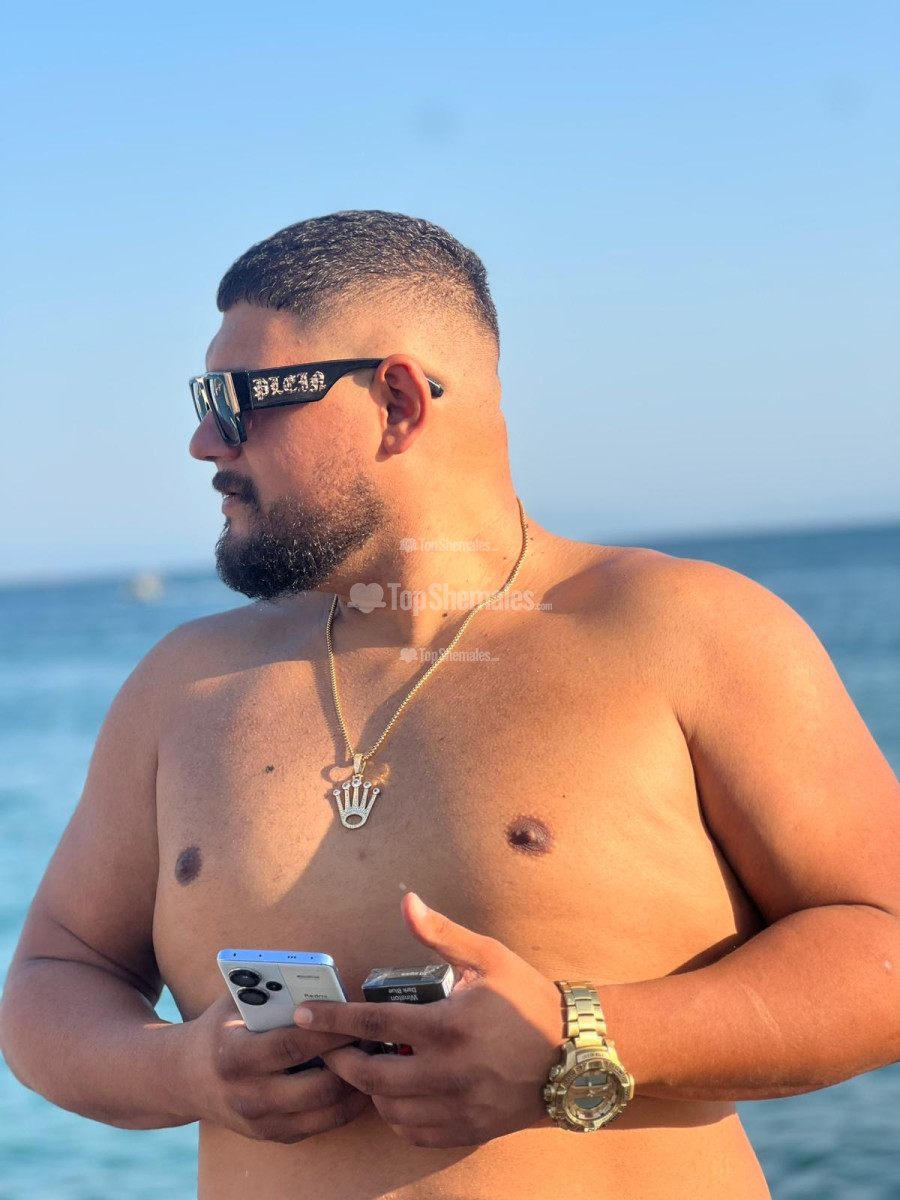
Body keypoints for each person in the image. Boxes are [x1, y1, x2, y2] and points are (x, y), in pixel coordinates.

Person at [2, 210, 898, 1200]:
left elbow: (884, 937)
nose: (203, 440)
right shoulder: (184, 685)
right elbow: (53, 978)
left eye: (235, 398)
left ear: (395, 400)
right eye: (202, 398)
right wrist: (177, 1069)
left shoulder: (682, 631)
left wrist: (577, 1039)